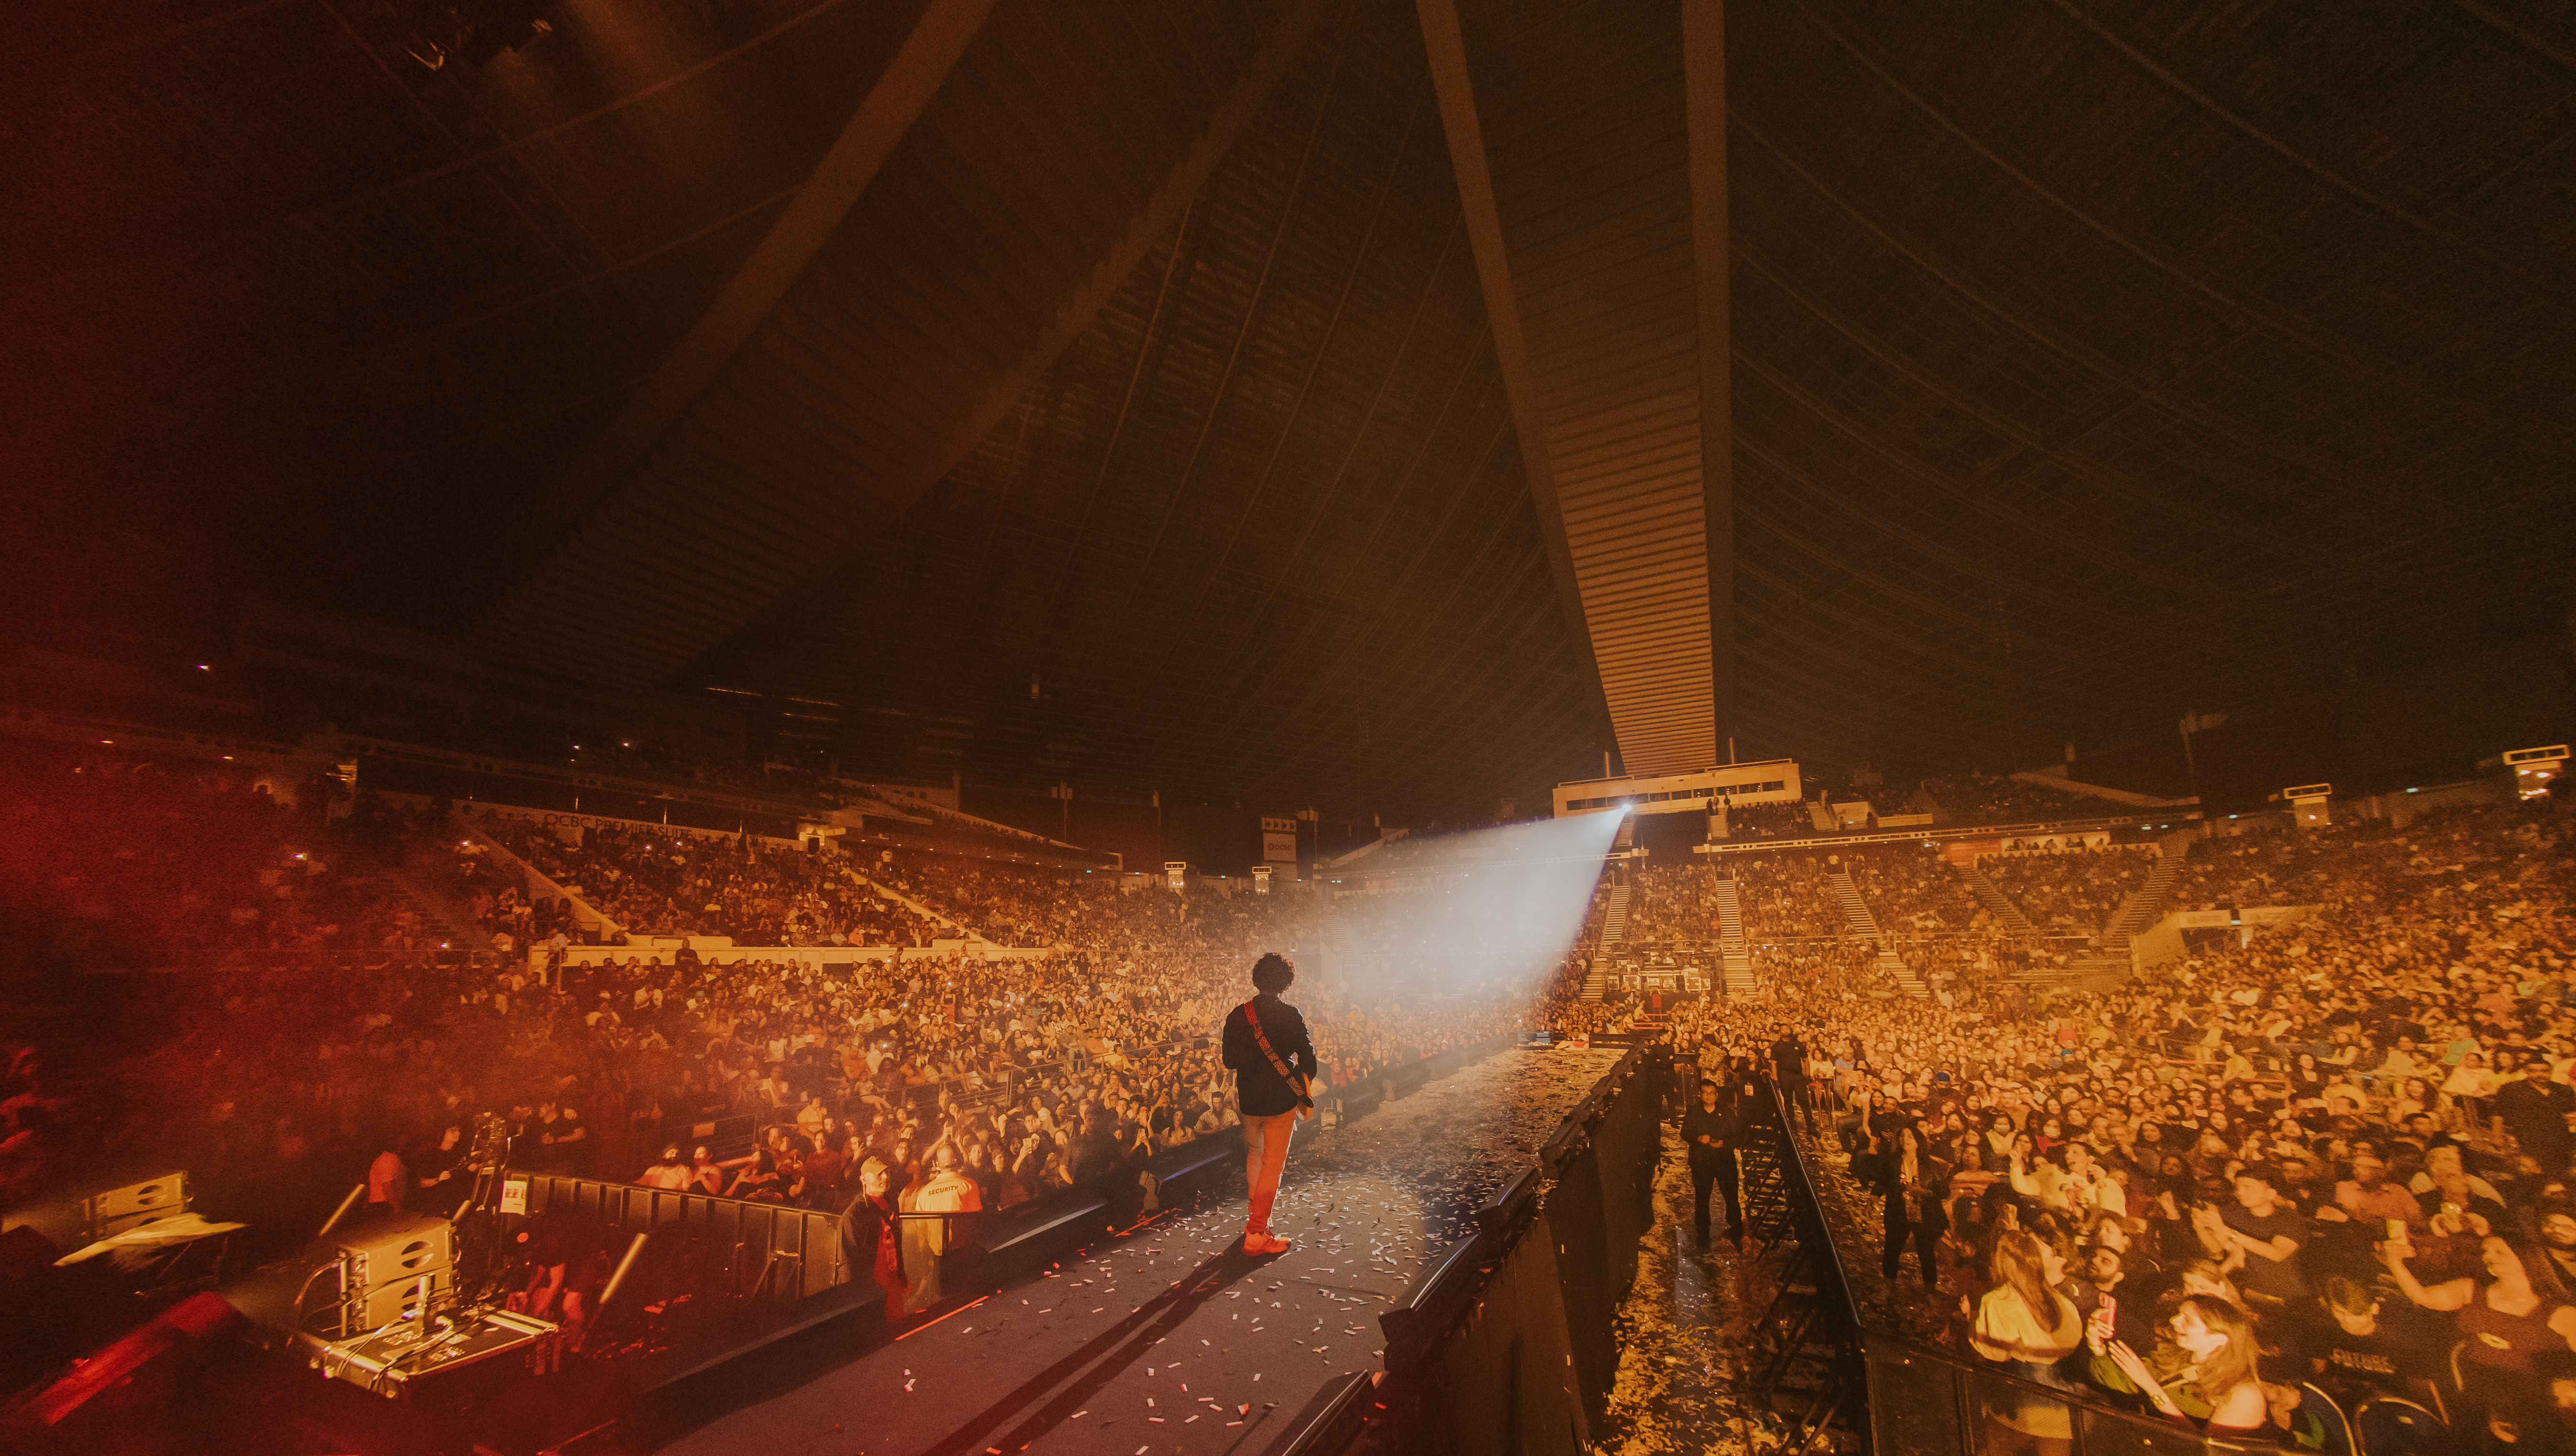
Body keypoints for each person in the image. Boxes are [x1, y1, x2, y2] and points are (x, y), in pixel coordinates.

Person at [1221, 952, 1314, 1257]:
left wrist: (1254, 1058)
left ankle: (1259, 1221)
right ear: (1286, 982)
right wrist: (1298, 1076)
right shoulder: (1291, 1014)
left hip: (1249, 1100)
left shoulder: (1237, 1014)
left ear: (1257, 978)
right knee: (1272, 1165)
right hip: (1281, 1100)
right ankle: (1257, 1232)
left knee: (1255, 1157)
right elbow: (1309, 1060)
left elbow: (1229, 1060)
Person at [2100, 1295, 2271, 1438]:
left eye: (2187, 1320)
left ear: (2218, 1339)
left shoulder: (2245, 1394)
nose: (2174, 1320)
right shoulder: (2177, 1358)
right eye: (2178, 1314)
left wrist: (2152, 1388)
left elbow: (2205, 1450)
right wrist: (2096, 1344)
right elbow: (2116, 1381)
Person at [1864, 1119, 1948, 1286]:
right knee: (1891, 1250)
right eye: (1902, 1136)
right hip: (1898, 1211)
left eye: (1910, 1136)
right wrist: (1873, 1198)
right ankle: (1889, 1288)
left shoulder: (1930, 1165)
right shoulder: (1892, 1161)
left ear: (1918, 1141)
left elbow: (1944, 1191)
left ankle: (1930, 1291)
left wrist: (1925, 1192)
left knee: (1926, 1254)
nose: (1905, 1139)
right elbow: (1883, 1181)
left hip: (1924, 1214)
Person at [837, 1154, 907, 1325]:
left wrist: (901, 1277)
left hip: (893, 1284)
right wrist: (854, 1302)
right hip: (873, 1289)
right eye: (879, 1174)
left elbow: (896, 1243)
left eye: (887, 1172)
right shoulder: (855, 1215)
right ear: (864, 1179)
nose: (885, 1177)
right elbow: (847, 1263)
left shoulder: (891, 1201)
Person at [1680, 1078, 1744, 1247]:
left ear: (1717, 1095)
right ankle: (1703, 1233)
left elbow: (1739, 1135)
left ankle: (1737, 1230)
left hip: (1724, 1162)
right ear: (1700, 1095)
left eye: (1712, 1094)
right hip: (1702, 1163)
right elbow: (1684, 1132)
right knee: (1702, 1198)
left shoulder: (1727, 1112)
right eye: (1705, 1093)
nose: (1709, 1097)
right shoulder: (1694, 1113)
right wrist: (1698, 1138)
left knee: (1731, 1197)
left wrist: (1725, 1144)